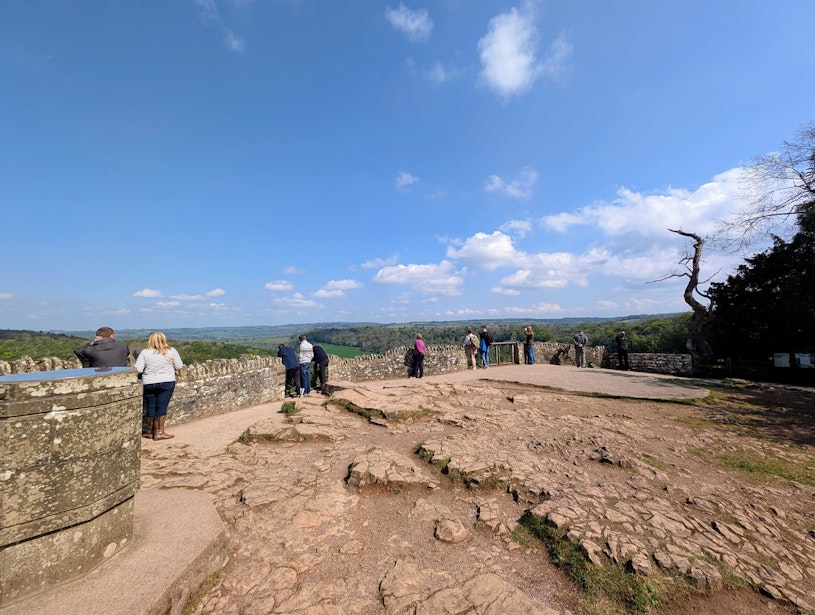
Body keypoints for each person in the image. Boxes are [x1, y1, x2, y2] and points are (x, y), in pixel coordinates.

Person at [135, 332, 183, 440]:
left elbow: (138, 369)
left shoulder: (145, 352)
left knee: (150, 406)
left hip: (148, 382)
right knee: (161, 406)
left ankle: (149, 431)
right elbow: (179, 366)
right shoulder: (171, 351)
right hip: (166, 381)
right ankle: (159, 432)